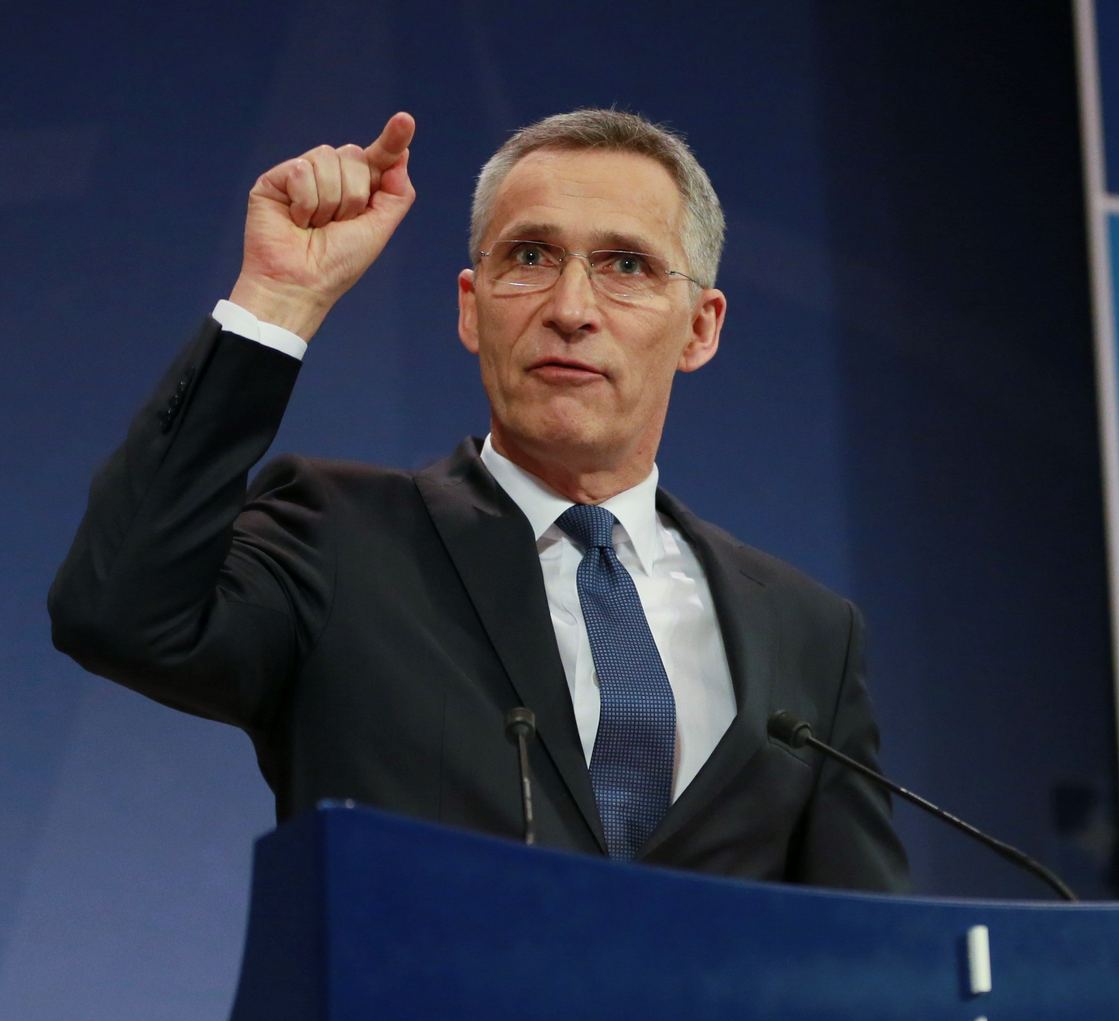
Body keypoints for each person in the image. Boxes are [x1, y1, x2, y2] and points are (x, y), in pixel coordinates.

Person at [48, 108, 908, 891]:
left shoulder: (808, 633)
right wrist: (277, 298)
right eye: (530, 257)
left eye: (627, 266)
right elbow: (117, 611)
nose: (571, 308)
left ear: (701, 327)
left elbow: (873, 956)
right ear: (471, 307)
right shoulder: (340, 539)